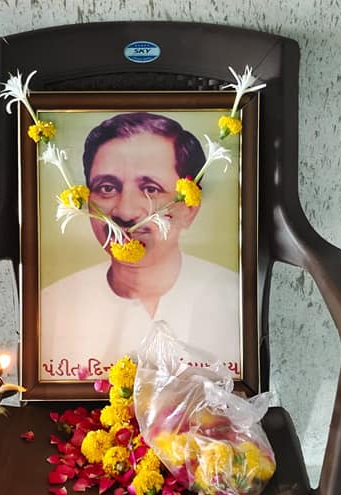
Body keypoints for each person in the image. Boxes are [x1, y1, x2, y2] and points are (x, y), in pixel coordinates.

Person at [40, 113, 240, 375]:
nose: (125, 212)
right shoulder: (50, 307)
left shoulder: (234, 301)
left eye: (151, 189)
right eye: (107, 188)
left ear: (189, 209)